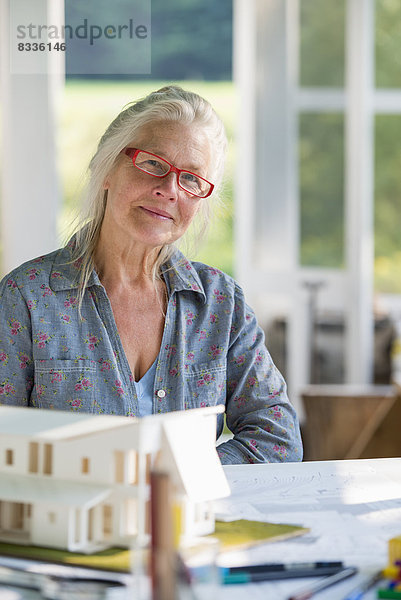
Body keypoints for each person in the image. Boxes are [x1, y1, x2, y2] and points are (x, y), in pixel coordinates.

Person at [0, 85, 302, 464]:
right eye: (153, 163)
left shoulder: (221, 304)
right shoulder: (26, 298)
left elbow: (277, 436)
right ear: (106, 168)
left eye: (191, 179)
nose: (168, 189)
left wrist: (184, 479)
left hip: (187, 521)